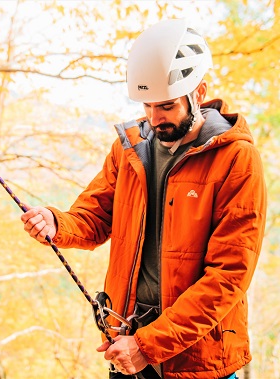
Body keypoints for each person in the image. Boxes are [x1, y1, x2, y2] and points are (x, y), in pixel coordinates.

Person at [20, 19, 266, 379]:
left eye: (166, 106)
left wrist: (149, 345)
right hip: (127, 343)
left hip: (196, 360)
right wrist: (57, 223)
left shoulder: (236, 159)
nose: (155, 118)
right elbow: (95, 216)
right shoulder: (130, 149)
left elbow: (229, 276)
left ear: (198, 93)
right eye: (147, 106)